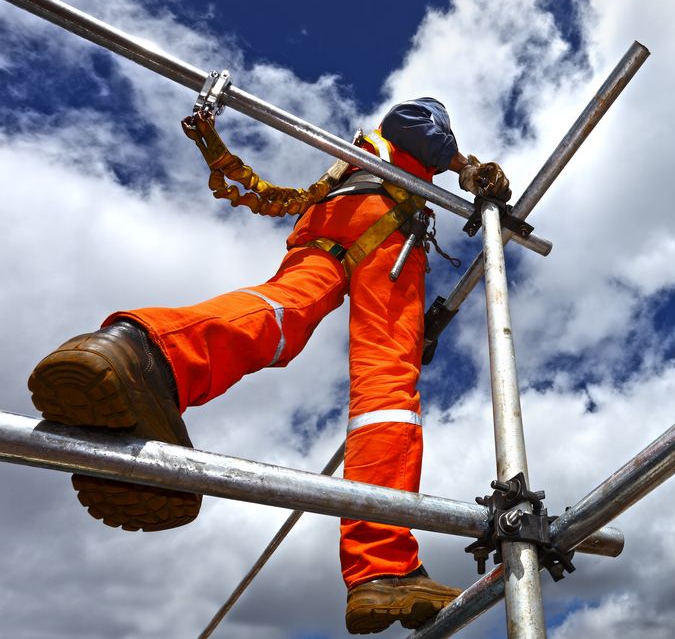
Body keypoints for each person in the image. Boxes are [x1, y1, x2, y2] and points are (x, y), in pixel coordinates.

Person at [27, 97, 510, 634]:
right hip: (386, 223)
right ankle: (382, 565)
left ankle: (149, 355)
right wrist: (466, 166)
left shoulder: (358, 157)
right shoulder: (414, 126)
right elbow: (413, 123)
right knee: (386, 384)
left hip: (331, 224)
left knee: (285, 315)